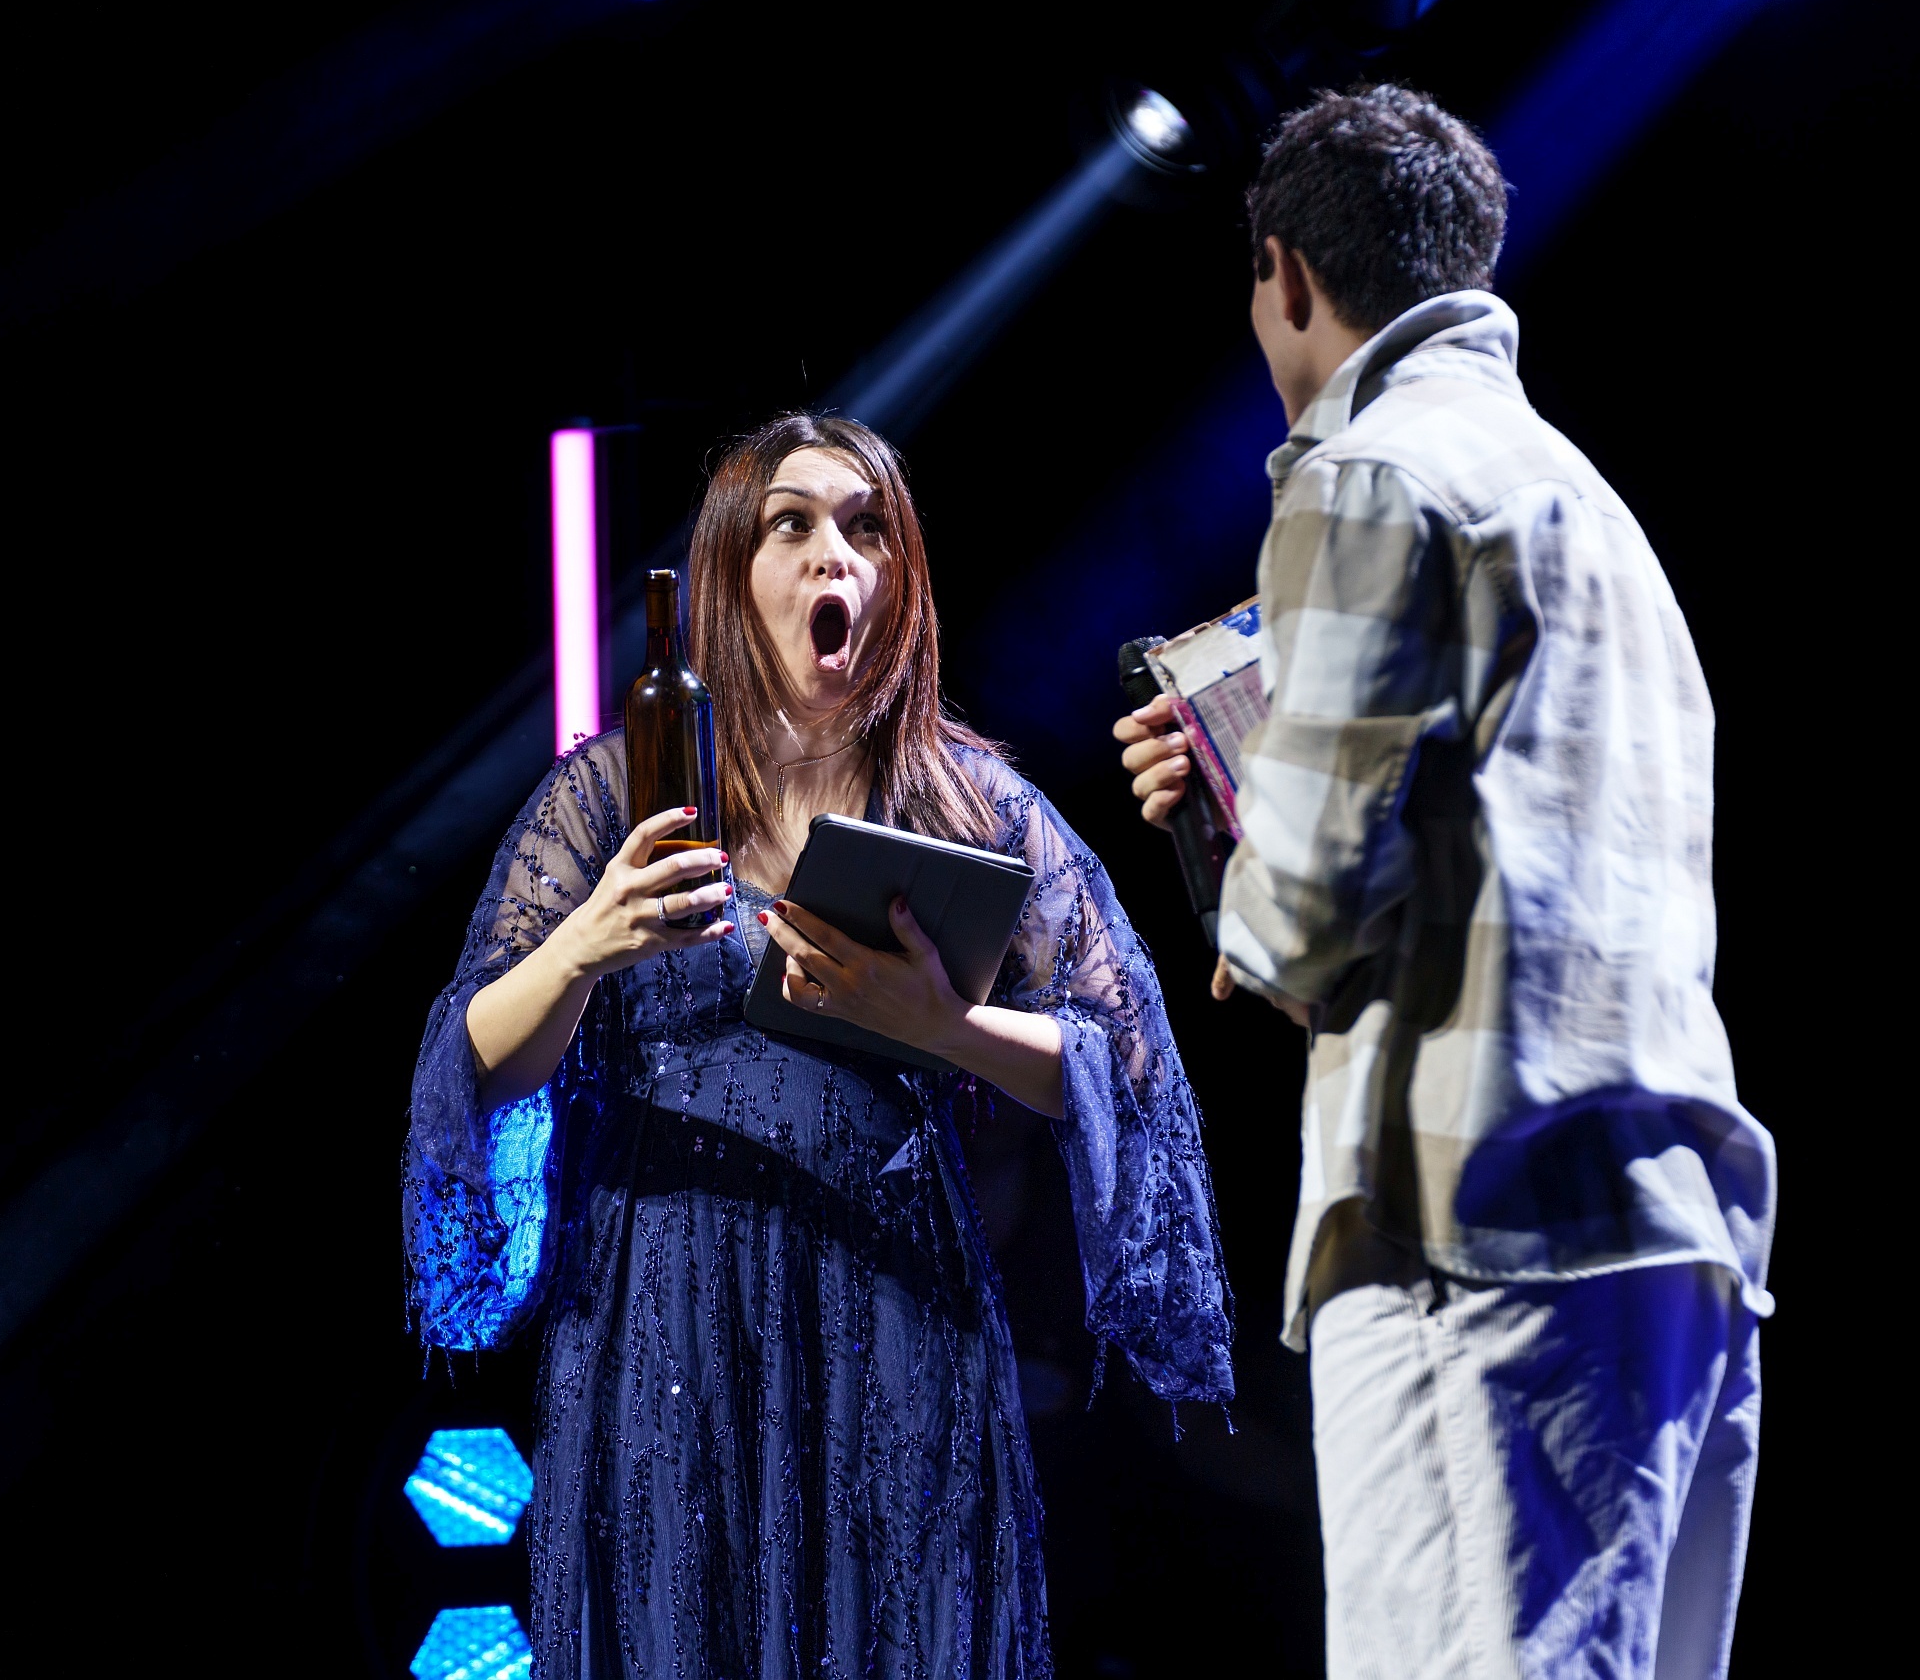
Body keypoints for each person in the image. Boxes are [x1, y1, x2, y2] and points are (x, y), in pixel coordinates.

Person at [1112, 86, 1777, 1680]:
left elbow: (1302, 909)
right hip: (1674, 1225)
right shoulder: (1592, 506)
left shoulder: (1363, 474)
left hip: (1473, 1226)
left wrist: (1235, 847)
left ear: (1283, 273)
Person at [407, 413, 1233, 1680]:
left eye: (865, 528)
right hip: (665, 1319)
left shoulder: (966, 801)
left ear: (900, 580)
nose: (832, 554)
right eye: (790, 525)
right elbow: (472, 1063)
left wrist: (944, 1025)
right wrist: (582, 948)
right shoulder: (615, 795)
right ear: (734, 574)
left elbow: (1121, 1063)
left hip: (892, 1312)